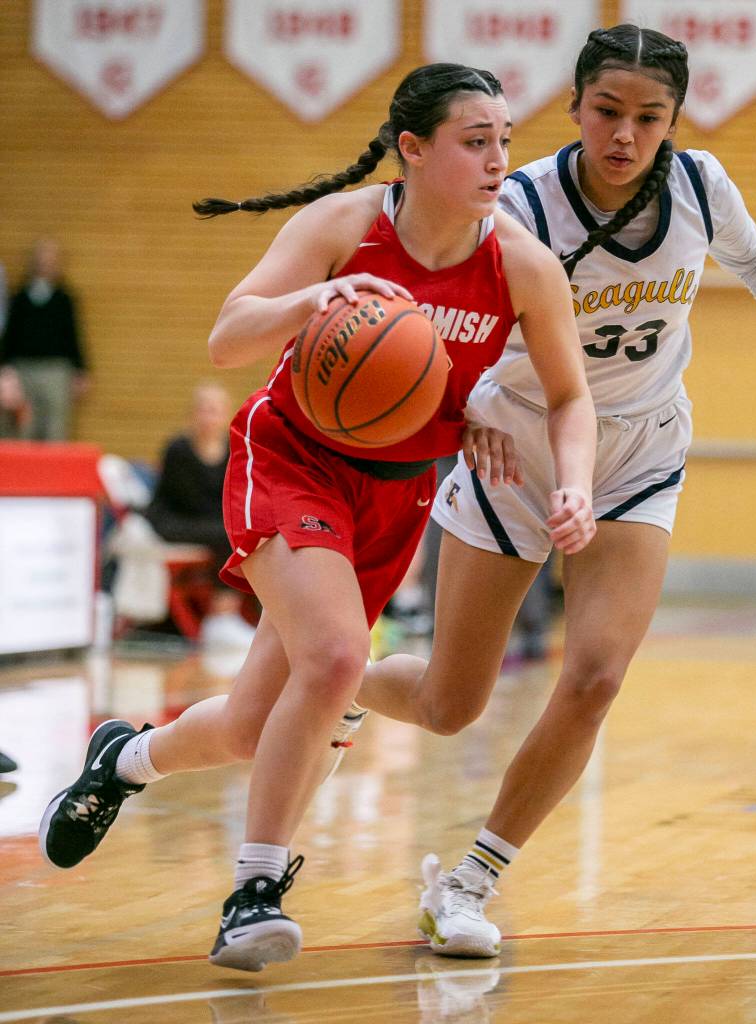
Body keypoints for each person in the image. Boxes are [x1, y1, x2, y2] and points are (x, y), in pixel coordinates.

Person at [38, 63, 597, 972]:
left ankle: (124, 760)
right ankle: (254, 889)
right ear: (413, 150)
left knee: (257, 726)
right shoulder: (344, 226)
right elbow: (227, 338)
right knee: (338, 660)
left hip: (398, 492)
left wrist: (570, 481)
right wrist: (308, 302)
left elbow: (571, 398)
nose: (501, 160)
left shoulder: (523, 267)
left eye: (506, 141)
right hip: (292, 461)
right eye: (476, 141)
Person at [351, 24, 756, 958]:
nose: (625, 134)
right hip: (516, 447)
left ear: (674, 119)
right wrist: (466, 408)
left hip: (637, 453)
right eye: (607, 112)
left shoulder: (703, 184)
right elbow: (442, 323)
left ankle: (469, 882)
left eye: (649, 117)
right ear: (575, 107)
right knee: (448, 704)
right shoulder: (520, 204)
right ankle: (345, 686)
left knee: (594, 679)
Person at [144, 381, 255, 647]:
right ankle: (222, 618)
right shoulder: (178, 449)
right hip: (173, 520)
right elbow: (184, 500)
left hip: (210, 523)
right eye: (203, 409)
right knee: (226, 534)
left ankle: (233, 615)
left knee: (239, 533)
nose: (208, 416)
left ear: (226, 414)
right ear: (192, 414)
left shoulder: (234, 449)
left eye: (214, 410)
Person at [0, 239, 88, 441]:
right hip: (23, 368)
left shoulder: (63, 298)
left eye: (50, 260)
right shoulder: (20, 297)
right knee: (23, 424)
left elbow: (72, 335)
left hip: (55, 369)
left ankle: (55, 470)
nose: (46, 264)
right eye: (42, 259)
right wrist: (5, 366)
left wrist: (80, 369)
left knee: (55, 423)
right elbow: (10, 335)